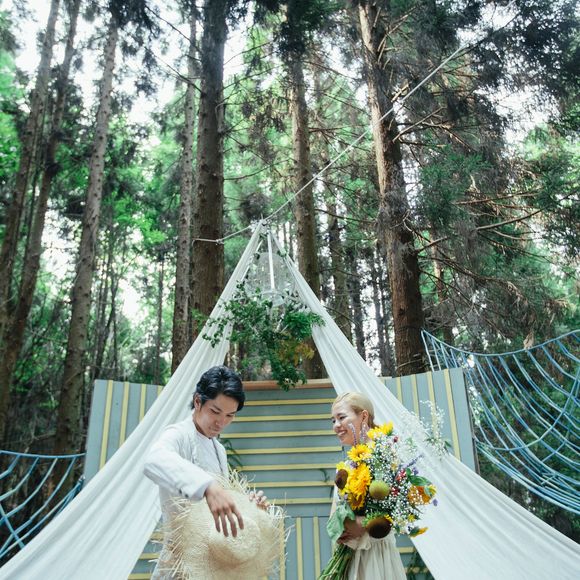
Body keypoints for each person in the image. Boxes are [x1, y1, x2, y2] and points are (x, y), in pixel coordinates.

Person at [144, 365, 267, 579]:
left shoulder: (219, 450)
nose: (221, 422)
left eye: (230, 415)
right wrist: (208, 486)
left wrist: (248, 507)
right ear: (198, 401)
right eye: (215, 412)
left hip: (211, 565)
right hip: (178, 563)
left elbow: (216, 510)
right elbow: (153, 460)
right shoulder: (178, 435)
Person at [330, 392, 407, 580]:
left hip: (375, 557)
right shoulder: (349, 464)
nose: (336, 425)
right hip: (352, 556)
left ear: (363, 416)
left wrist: (363, 523)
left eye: (341, 417)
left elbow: (395, 507)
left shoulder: (383, 456)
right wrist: (339, 527)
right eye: (333, 420)